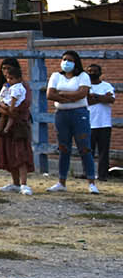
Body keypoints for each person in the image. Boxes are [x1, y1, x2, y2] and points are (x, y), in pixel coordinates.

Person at [46, 50, 96, 193]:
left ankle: (91, 181)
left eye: (69, 60)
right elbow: (50, 94)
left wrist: (61, 94)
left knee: (84, 147)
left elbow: (82, 93)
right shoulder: (56, 76)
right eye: (64, 59)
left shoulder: (82, 76)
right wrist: (69, 97)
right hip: (62, 114)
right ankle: (62, 181)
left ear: (75, 62)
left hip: (79, 114)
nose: (66, 62)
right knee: (63, 147)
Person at [0, 59, 33, 194]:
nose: (5, 72)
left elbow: (24, 104)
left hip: (19, 123)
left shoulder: (22, 86)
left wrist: (10, 111)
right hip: (4, 122)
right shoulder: (2, 86)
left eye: (8, 68)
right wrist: (4, 110)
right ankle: (15, 182)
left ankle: (23, 183)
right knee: (9, 153)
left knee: (20, 154)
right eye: (3, 68)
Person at [87, 63, 115, 182]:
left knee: (104, 151)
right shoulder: (85, 87)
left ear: (100, 73)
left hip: (104, 124)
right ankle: (88, 173)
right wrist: (101, 98)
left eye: (94, 71)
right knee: (88, 151)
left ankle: (103, 175)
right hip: (89, 123)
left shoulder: (106, 85)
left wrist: (95, 96)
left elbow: (111, 99)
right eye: (90, 71)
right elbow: (86, 101)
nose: (92, 73)